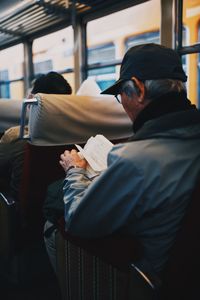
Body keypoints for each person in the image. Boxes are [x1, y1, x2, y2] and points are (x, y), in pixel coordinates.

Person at [45, 43, 200, 287]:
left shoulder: (135, 158)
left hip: (149, 280)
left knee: (52, 227)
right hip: (189, 273)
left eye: (121, 96)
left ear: (138, 89)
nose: (123, 104)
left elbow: (78, 221)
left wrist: (75, 170)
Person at [0, 71, 72, 198]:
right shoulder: (76, 133)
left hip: (21, 205)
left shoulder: (15, 136)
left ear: (32, 101)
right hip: (62, 198)